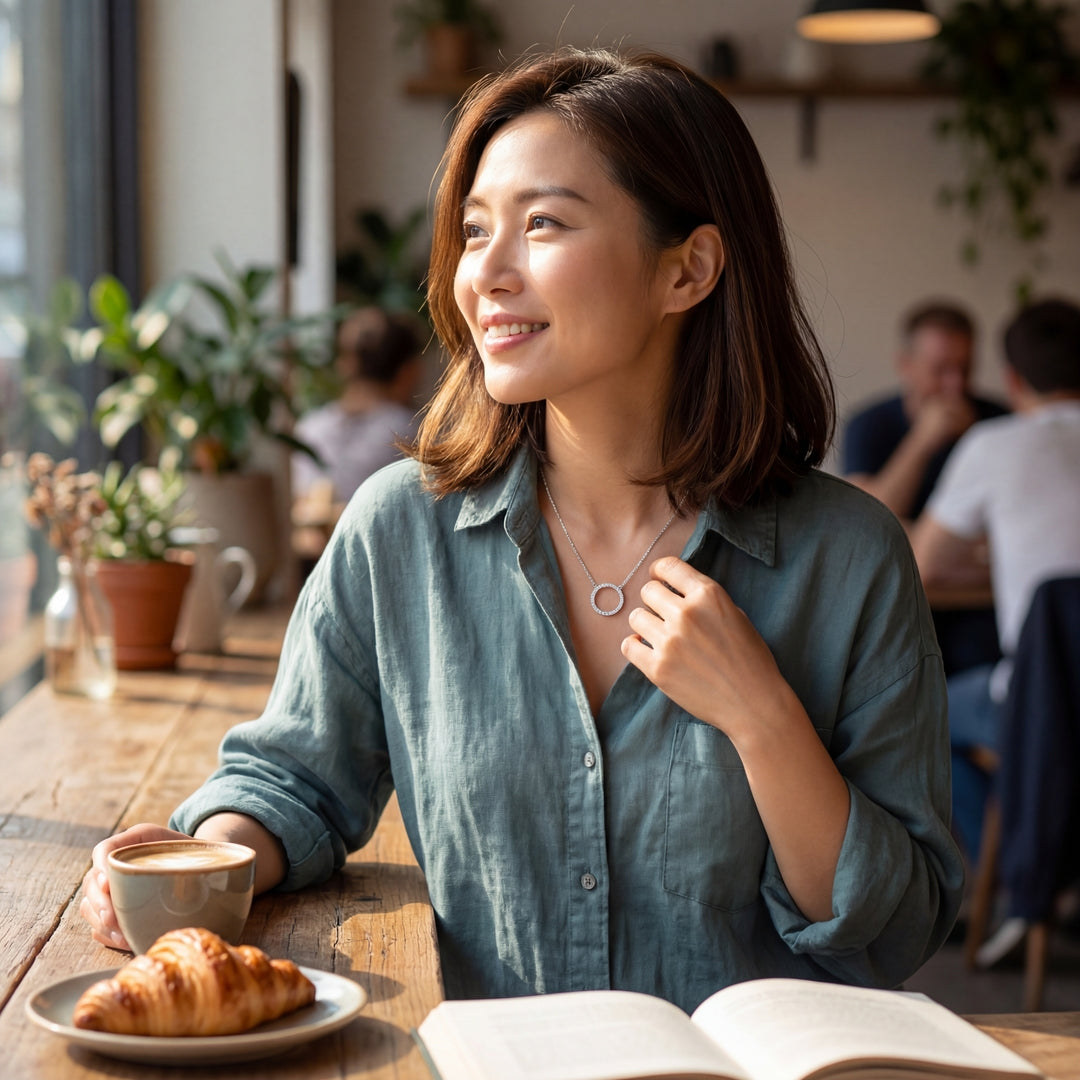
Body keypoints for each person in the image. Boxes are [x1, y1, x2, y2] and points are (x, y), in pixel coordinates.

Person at [80, 47, 962, 1013]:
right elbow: (296, 779)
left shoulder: (850, 557)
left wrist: (763, 719)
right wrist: (196, 865)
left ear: (689, 269)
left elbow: (901, 931)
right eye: (472, 231)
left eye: (542, 224)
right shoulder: (398, 532)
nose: (485, 274)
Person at [911, 298, 1080, 869]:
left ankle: (1013, 873)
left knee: (918, 711)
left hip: (1038, 701)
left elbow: (923, 563)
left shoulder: (996, 444)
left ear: (1011, 380)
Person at [843, 303, 1008, 677]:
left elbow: (1009, 539)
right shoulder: (869, 424)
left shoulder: (997, 423)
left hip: (982, 611)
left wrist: (920, 543)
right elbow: (866, 526)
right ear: (906, 365)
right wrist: (922, 442)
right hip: (898, 606)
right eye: (940, 370)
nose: (955, 385)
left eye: (964, 369)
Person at [291, 306, 424, 568]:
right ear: (408, 371)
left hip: (310, 568)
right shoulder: (411, 434)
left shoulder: (308, 429)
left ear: (345, 364)